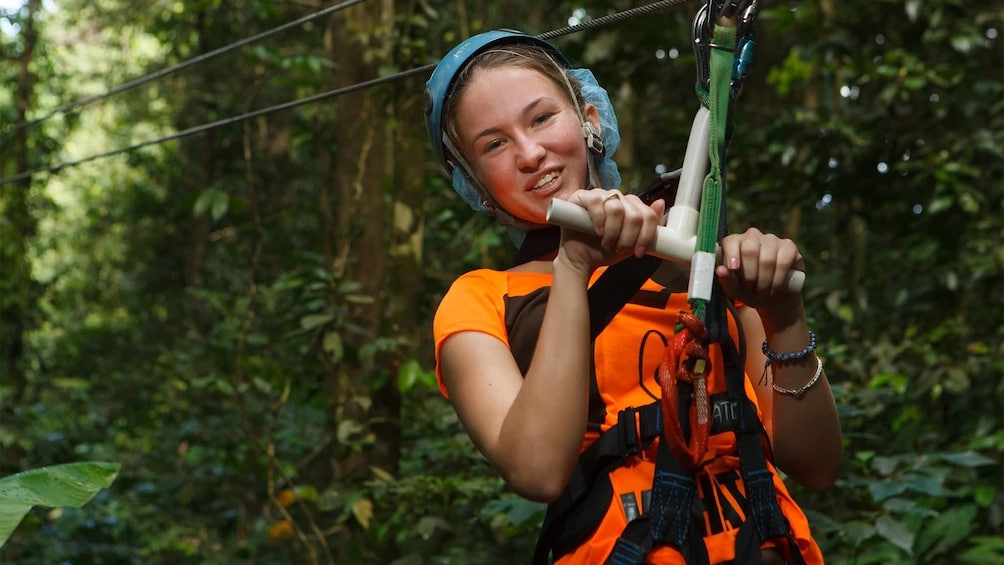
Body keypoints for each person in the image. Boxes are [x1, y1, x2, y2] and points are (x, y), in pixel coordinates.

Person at [424, 29, 842, 565]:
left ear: (590, 119)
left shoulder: (693, 253)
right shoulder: (480, 299)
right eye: (494, 144)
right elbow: (537, 469)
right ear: (475, 184)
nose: (530, 153)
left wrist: (784, 315)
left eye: (542, 118)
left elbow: (816, 465)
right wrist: (574, 268)